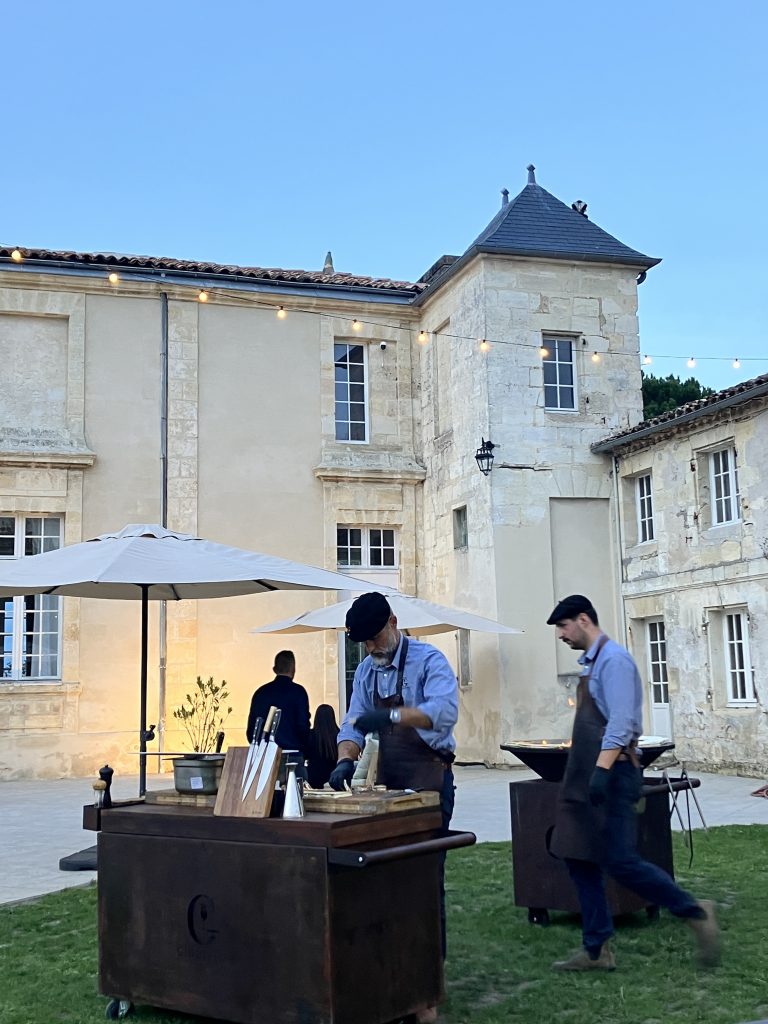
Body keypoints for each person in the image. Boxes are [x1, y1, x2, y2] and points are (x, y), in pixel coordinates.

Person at [546, 594, 720, 972]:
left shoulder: (615, 661)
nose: (560, 635)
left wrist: (602, 771)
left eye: (563, 626)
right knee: (578, 857)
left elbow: (622, 722)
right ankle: (597, 949)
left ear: (583, 620)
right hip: (588, 775)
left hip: (612, 774)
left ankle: (695, 912)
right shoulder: (590, 664)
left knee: (621, 861)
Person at [330, 592, 459, 1024]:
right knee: (382, 880)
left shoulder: (429, 661)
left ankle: (426, 990)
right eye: (363, 643)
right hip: (390, 787)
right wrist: (346, 757)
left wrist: (393, 718)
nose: (370, 648)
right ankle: (387, 977)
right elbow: (352, 721)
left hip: (429, 782)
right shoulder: (367, 670)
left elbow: (443, 713)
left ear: (393, 621)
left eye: (374, 637)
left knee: (423, 881)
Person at [246, 651, 311, 770]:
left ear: (274, 669)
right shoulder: (298, 692)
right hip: (292, 755)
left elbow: (252, 729)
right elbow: (303, 726)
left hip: (263, 755)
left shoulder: (261, 693)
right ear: (293, 668)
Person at [306, 703, 339, 789]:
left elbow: (305, 755)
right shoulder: (339, 735)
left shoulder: (311, 735)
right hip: (334, 777)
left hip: (313, 778)